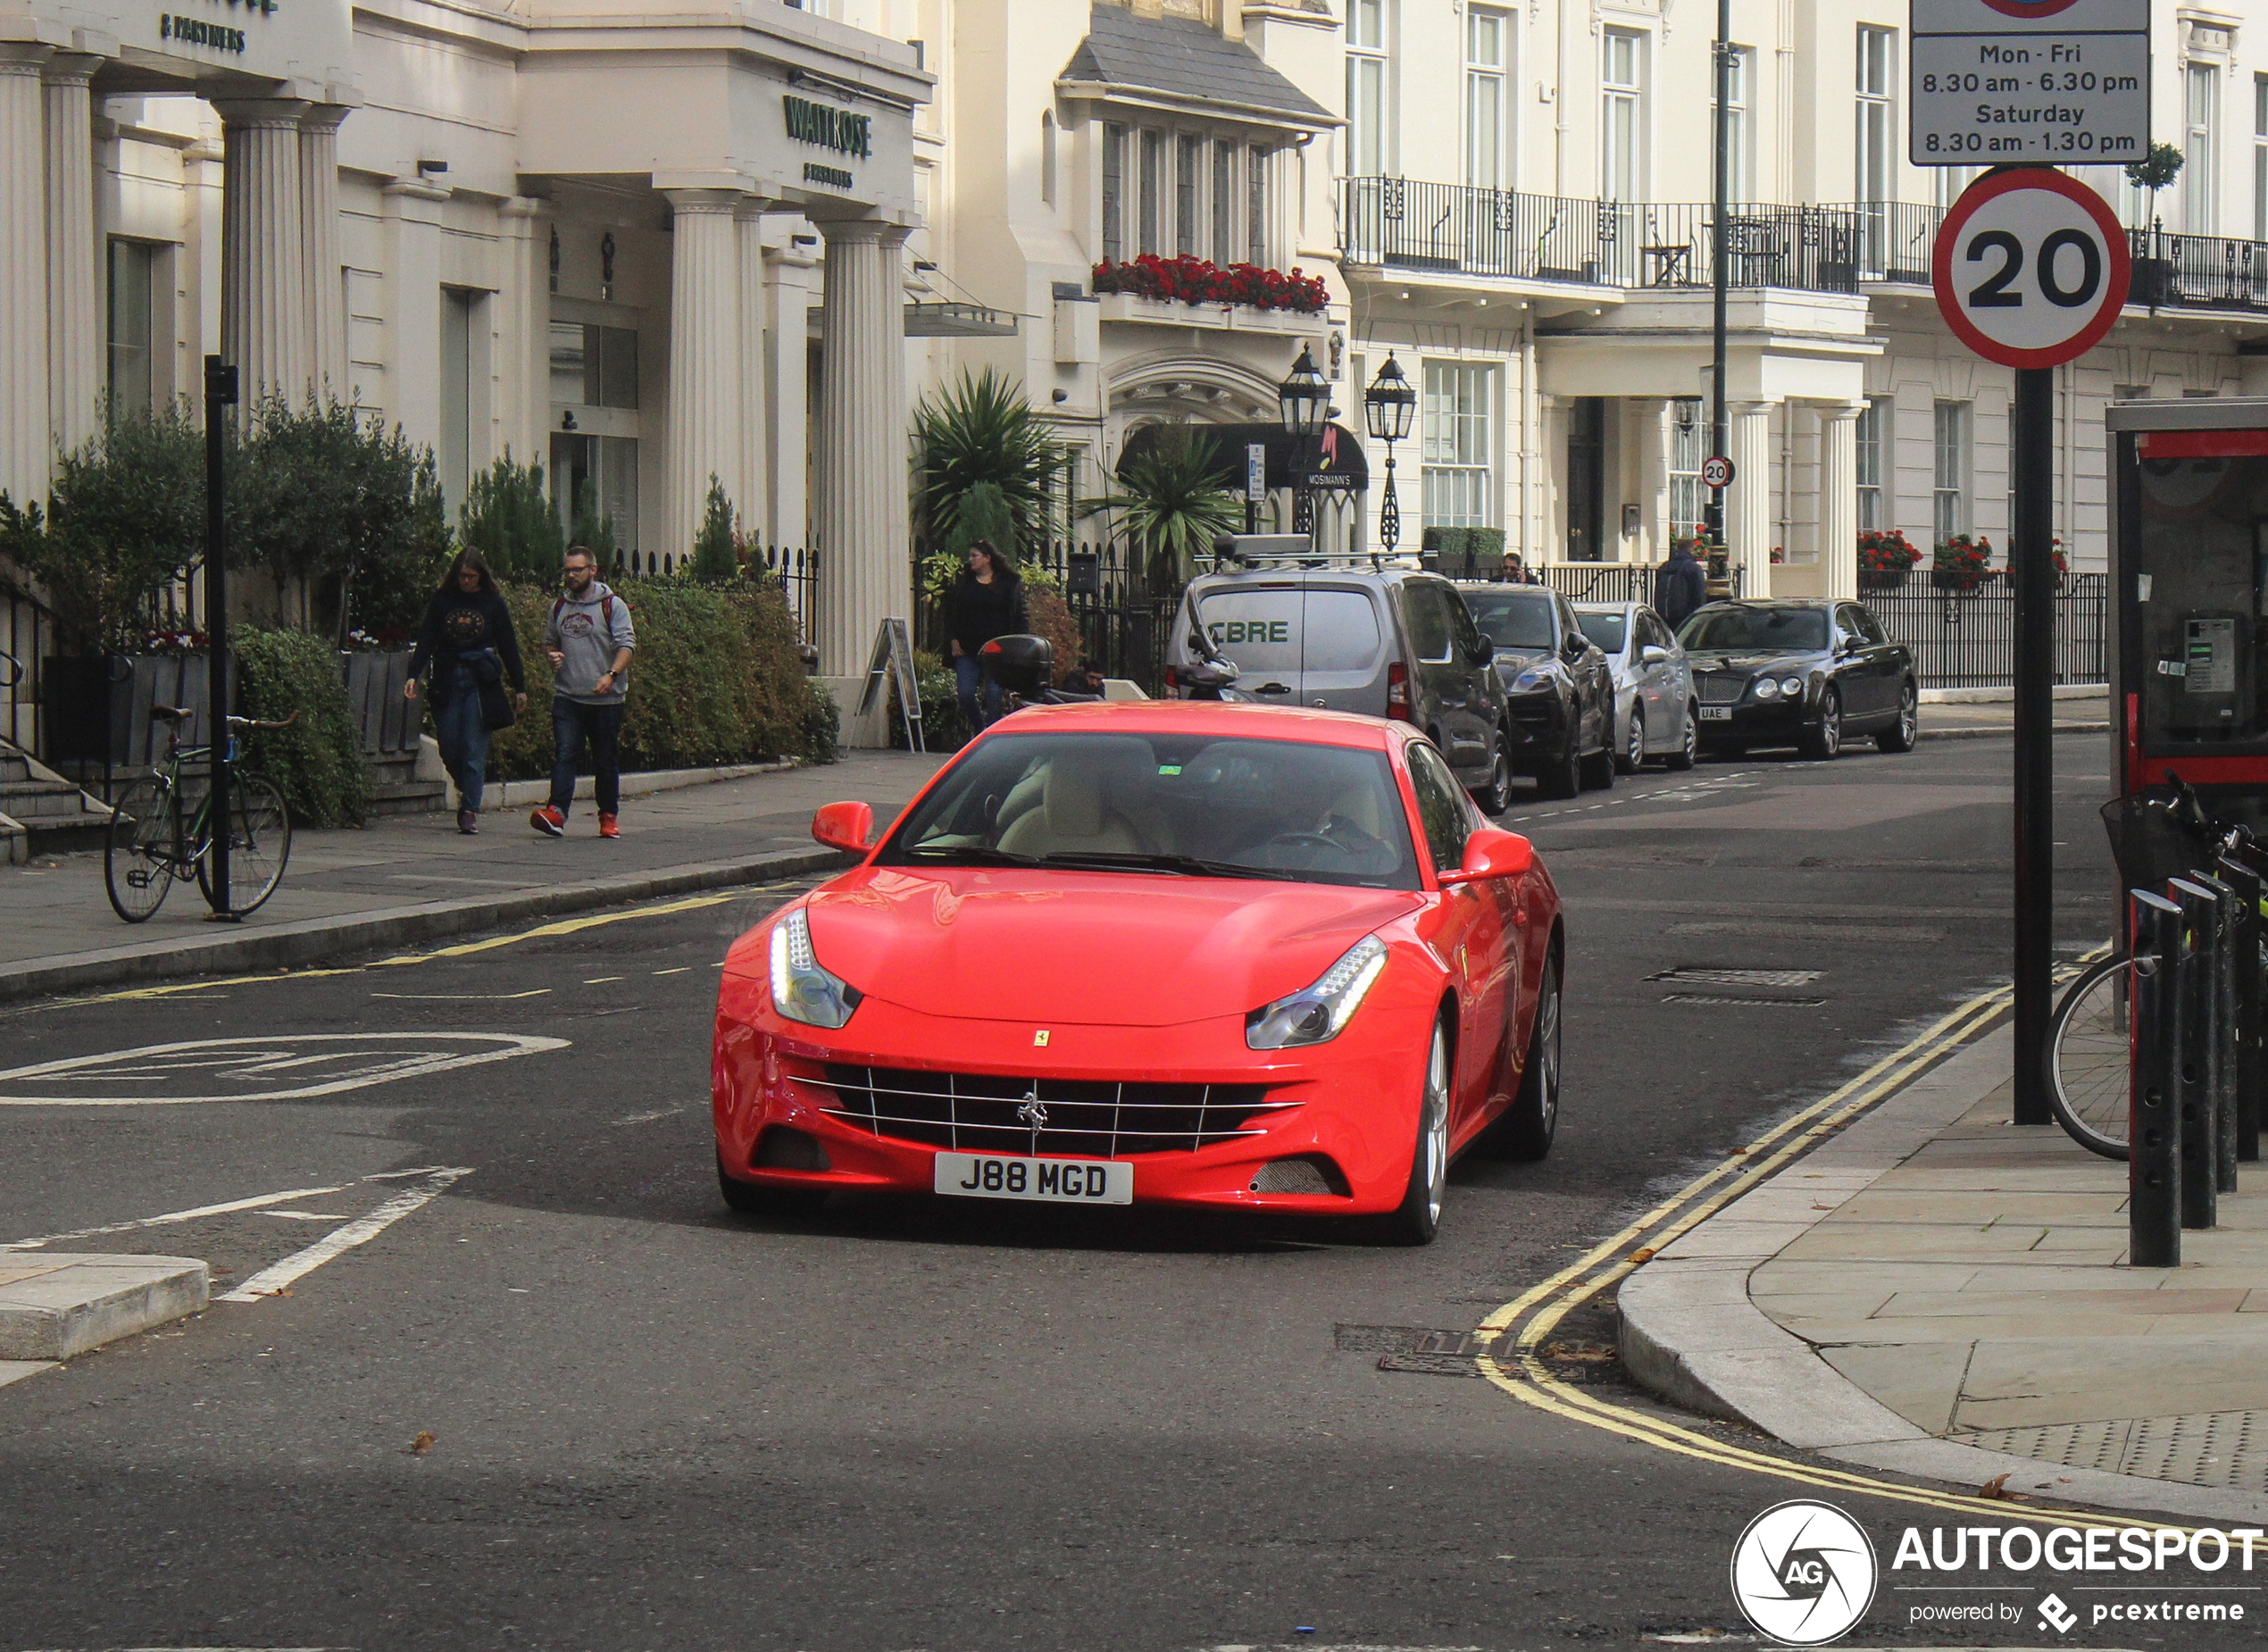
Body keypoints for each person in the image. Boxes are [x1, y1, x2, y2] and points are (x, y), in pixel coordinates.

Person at [405, 550, 525, 834]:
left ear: (481, 576)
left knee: (474, 747)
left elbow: (508, 645)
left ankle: (469, 808)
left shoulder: (493, 603)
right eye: (462, 576)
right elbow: (427, 638)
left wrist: (520, 686)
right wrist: (413, 673)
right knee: (448, 745)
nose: (466, 581)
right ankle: (466, 785)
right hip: (447, 676)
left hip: (479, 680)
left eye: (471, 576)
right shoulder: (443, 600)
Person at [531, 546, 636, 839]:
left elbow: (626, 645)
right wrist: (552, 655)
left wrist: (611, 675)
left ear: (593, 570)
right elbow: (549, 642)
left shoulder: (612, 605)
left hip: (605, 699)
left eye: (577, 569)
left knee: (605, 759)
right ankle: (556, 812)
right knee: (565, 754)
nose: (571, 575)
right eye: (567, 570)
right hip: (568, 695)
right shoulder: (559, 606)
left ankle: (608, 815)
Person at [941, 540, 1028, 732]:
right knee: (965, 693)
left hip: (997, 651)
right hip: (968, 649)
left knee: (994, 695)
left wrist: (1017, 645)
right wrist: (953, 639)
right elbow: (952, 614)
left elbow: (1019, 616)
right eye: (970, 556)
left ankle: (993, 733)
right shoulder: (964, 583)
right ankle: (982, 731)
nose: (970, 560)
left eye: (975, 555)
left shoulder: (1008, 584)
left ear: (988, 558)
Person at [1653, 538, 1709, 630]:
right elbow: (1700, 595)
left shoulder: (1663, 567)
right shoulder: (1693, 568)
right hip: (1685, 616)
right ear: (1691, 549)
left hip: (1663, 614)